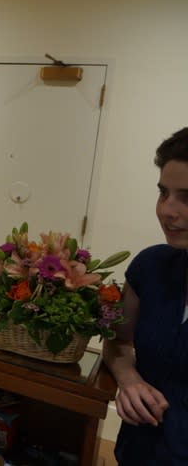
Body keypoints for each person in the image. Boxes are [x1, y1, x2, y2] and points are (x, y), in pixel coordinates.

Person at [102, 127, 188, 465]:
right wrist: (130, 379)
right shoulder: (150, 267)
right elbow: (118, 343)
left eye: (187, 197)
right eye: (163, 192)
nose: (168, 210)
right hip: (136, 452)